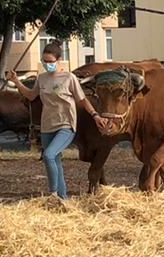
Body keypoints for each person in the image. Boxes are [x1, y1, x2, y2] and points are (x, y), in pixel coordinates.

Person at [7, 44, 101, 200]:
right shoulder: (41, 78)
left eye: (50, 61)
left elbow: (82, 99)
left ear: (58, 60)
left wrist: (95, 115)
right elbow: (31, 95)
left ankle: (53, 193)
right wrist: (16, 81)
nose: (47, 64)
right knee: (54, 160)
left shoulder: (69, 78)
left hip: (66, 125)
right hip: (47, 126)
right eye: (44, 61)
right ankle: (62, 199)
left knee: (49, 155)